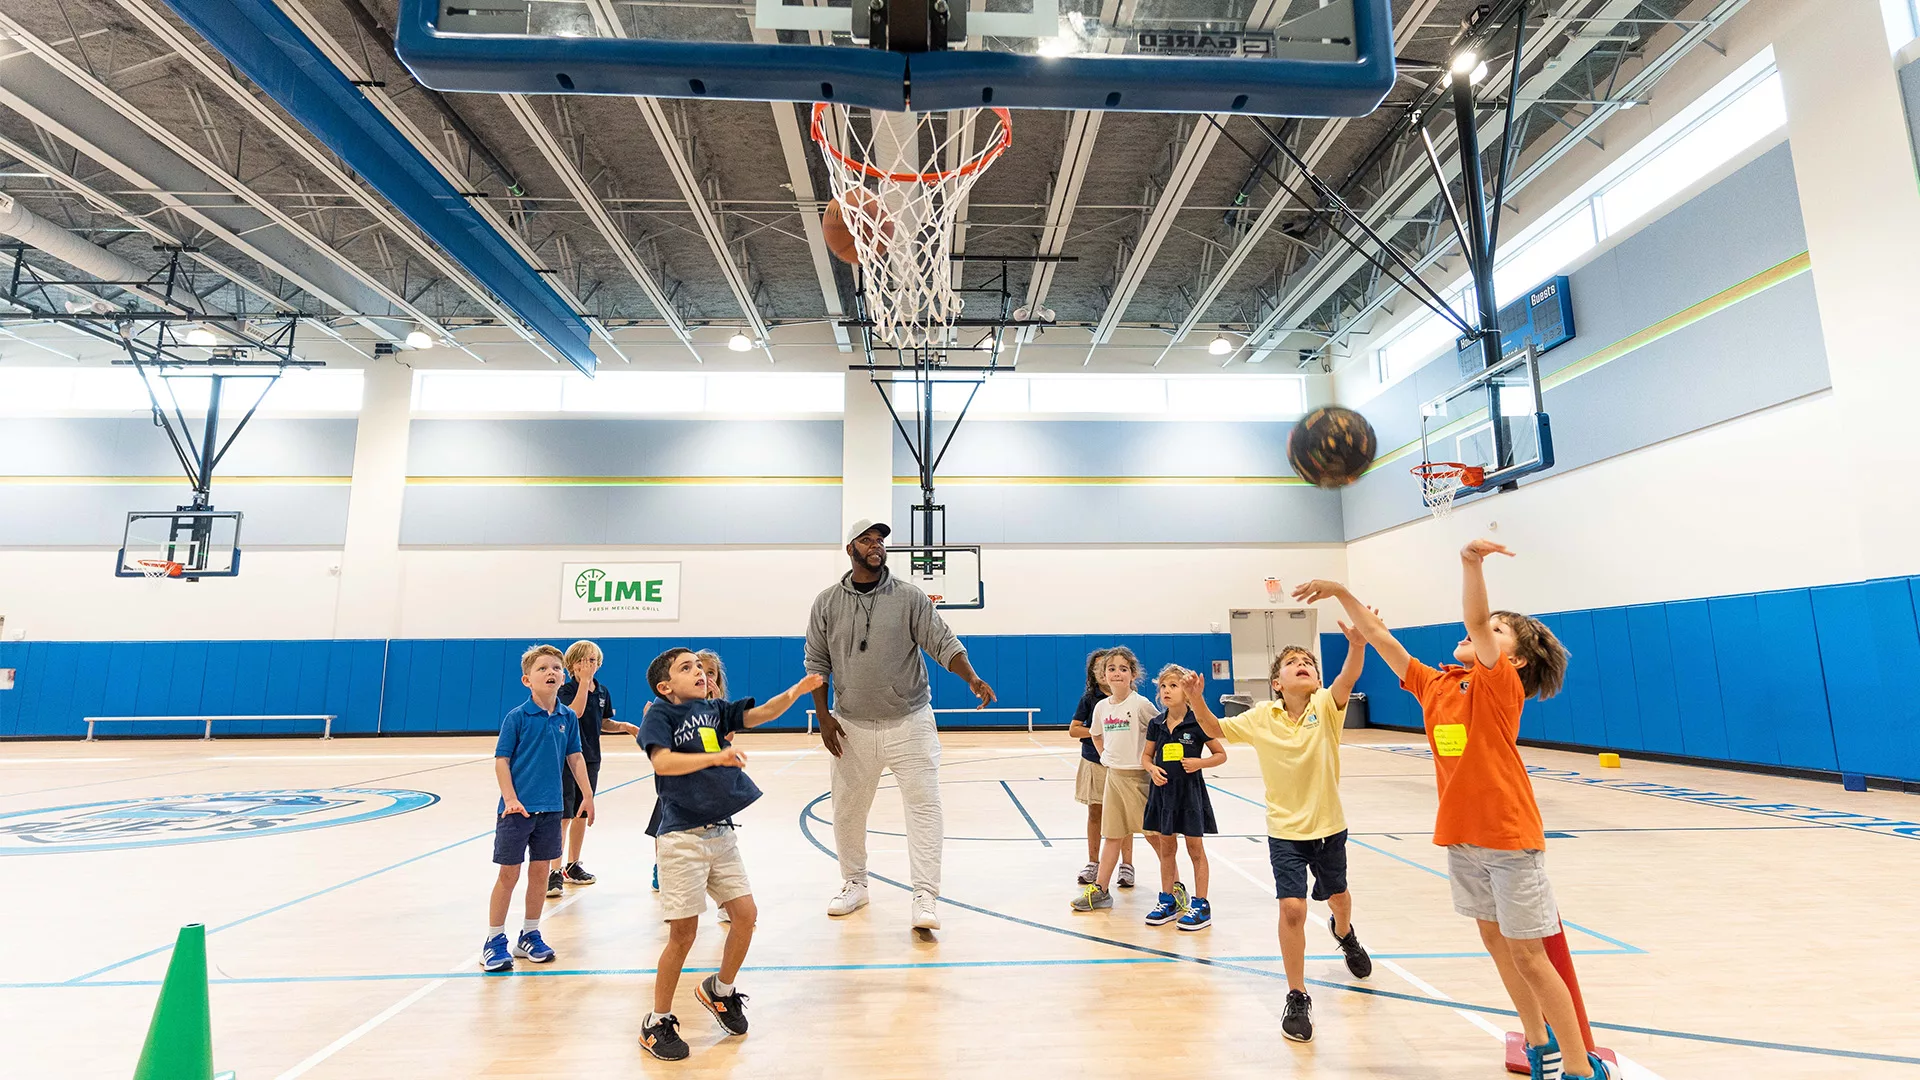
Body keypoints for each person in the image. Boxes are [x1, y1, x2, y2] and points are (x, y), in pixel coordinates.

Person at [1294, 541, 1609, 1080]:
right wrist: (1342, 591)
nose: (1474, 634)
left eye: (1496, 633)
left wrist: (1470, 563)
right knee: (1494, 941)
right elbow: (1382, 639)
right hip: (1462, 839)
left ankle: (1581, 1068)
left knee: (1531, 955)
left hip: (1509, 838)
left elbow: (1477, 618)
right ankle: (1539, 1045)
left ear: (1515, 658)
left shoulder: (1498, 683)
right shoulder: (1436, 683)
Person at [805, 519, 995, 931]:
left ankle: (925, 895)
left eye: (880, 541)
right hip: (851, 726)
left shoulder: (910, 597)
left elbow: (943, 642)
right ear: (850, 548)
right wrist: (823, 717)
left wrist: (972, 677)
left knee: (925, 808)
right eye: (867, 540)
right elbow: (817, 663)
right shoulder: (826, 603)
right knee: (847, 812)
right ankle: (854, 882)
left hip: (910, 722)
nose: (876, 546)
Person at [636, 647, 824, 1061]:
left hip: (721, 834)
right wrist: (719, 756)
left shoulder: (715, 709)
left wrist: (798, 689)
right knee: (682, 935)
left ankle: (719, 991)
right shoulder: (660, 717)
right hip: (681, 838)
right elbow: (663, 763)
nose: (699, 672)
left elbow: (763, 714)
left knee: (745, 915)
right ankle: (656, 1021)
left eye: (701, 667)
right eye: (687, 668)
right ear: (666, 686)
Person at [1188, 625, 1372, 1043]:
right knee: (1293, 909)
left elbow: (1348, 678)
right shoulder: (1259, 717)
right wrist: (1197, 699)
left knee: (1338, 897)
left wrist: (1357, 645)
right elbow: (1214, 728)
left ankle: (1344, 932)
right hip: (1284, 830)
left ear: (1317, 679)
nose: (1302, 665)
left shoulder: (1326, 706)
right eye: (1292, 663)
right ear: (1277, 683)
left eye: (1308, 662)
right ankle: (1297, 993)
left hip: (1329, 827)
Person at [482, 644, 595, 973]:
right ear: (526, 679)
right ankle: (493, 939)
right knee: (508, 875)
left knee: (540, 875)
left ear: (564, 677)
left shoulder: (567, 717)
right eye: (543, 668)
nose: (551, 672)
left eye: (556, 668)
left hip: (551, 810)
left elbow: (575, 757)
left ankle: (529, 934)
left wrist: (587, 795)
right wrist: (511, 798)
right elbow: (501, 761)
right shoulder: (517, 717)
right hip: (516, 812)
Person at [1069, 647, 1158, 911]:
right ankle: (1101, 891)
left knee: (1155, 836)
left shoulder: (1141, 705)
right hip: (1113, 777)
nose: (1117, 673)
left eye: (1123, 668)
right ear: (1102, 675)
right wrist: (1106, 756)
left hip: (1138, 778)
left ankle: (1174, 888)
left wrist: (1149, 762)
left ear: (1133, 674)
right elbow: (1096, 734)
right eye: (1111, 669)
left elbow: (1159, 732)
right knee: (1112, 835)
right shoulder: (1100, 706)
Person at [1140, 664, 1225, 930]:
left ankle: (1201, 903)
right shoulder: (1156, 723)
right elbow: (1146, 756)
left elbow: (1220, 754)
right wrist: (1152, 769)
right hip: (1163, 793)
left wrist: (1199, 764)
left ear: (1186, 692)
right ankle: (1169, 899)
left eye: (1173, 686)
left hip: (1189, 794)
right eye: (1163, 686)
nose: (1166, 691)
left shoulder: (1198, 723)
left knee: (1195, 849)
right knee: (1166, 847)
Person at [551, 640, 637, 897]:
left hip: (590, 757)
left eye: (593, 660)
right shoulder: (566, 691)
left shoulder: (602, 691)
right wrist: (584, 685)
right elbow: (573, 714)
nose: (589, 664)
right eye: (583, 660)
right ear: (572, 665)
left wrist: (625, 726)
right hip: (566, 757)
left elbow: (603, 722)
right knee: (564, 815)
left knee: (581, 812)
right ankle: (553, 871)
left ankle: (572, 865)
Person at [1067, 648, 1134, 885]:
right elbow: (1074, 729)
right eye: (1100, 668)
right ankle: (1093, 863)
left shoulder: (1131, 698)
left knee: (1125, 816)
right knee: (1095, 812)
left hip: (1122, 764)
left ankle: (1127, 865)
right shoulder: (1090, 700)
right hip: (1094, 761)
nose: (1104, 672)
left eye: (1117, 668)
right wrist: (1102, 730)